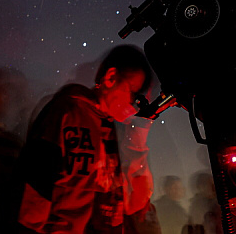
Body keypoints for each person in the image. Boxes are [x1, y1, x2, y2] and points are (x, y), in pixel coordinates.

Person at [17, 45, 156, 234]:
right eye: (132, 93)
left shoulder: (117, 133)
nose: (133, 105)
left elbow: (133, 203)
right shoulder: (66, 113)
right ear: (110, 77)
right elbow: (38, 181)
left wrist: (138, 137)